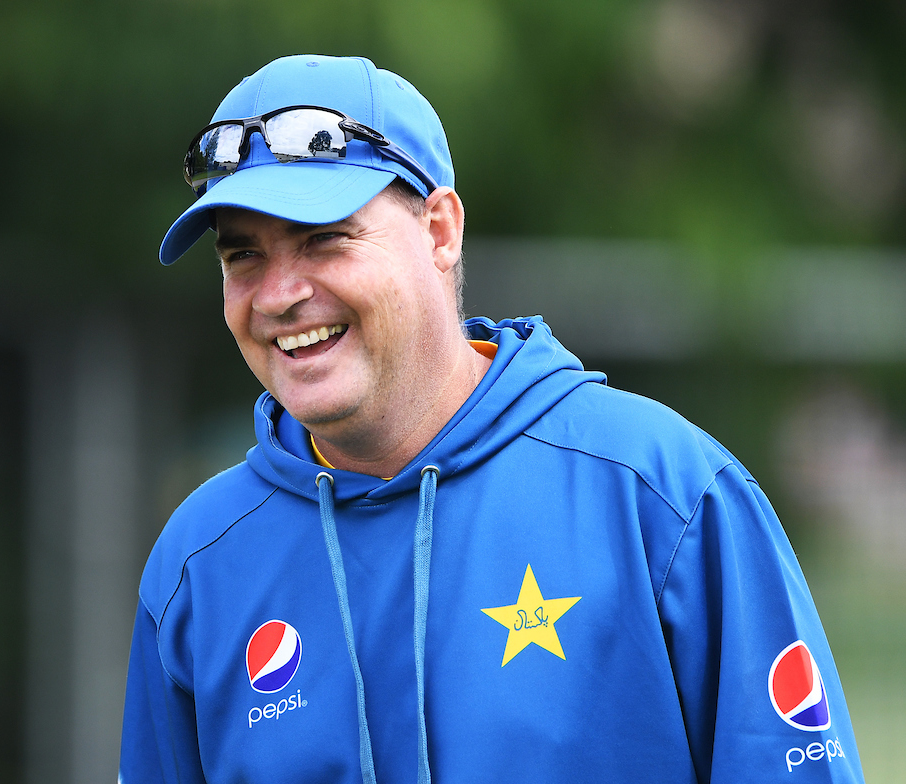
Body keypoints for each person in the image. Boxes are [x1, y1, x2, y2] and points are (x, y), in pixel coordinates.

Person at [120, 54, 865, 783]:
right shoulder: (199, 562)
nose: (279, 294)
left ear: (440, 231)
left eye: (324, 239)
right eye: (243, 257)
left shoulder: (661, 492)